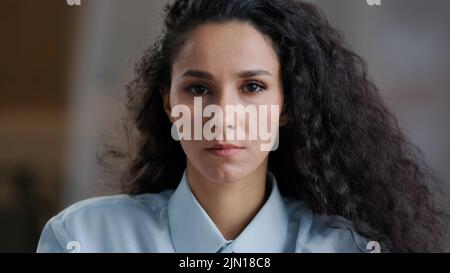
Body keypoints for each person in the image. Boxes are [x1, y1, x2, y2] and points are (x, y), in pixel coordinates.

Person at [37, 0, 443, 253]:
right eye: (198, 88)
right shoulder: (84, 239)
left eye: (252, 86)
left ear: (287, 105)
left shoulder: (349, 249)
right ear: (169, 102)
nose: (225, 115)